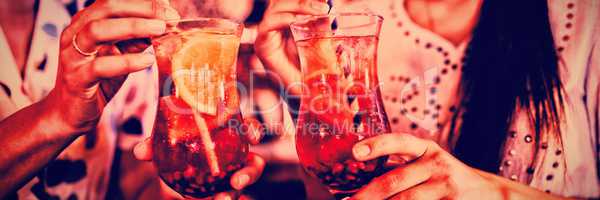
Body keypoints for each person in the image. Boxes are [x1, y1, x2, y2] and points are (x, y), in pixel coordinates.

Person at [255, 0, 599, 199]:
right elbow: (335, 191)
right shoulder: (346, 19)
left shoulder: (583, 18)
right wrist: (306, 86)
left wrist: (497, 193)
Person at [0, 0, 263, 199]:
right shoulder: (97, 30)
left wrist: (185, 187)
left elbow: (131, 186)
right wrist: (56, 118)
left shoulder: (112, 35)